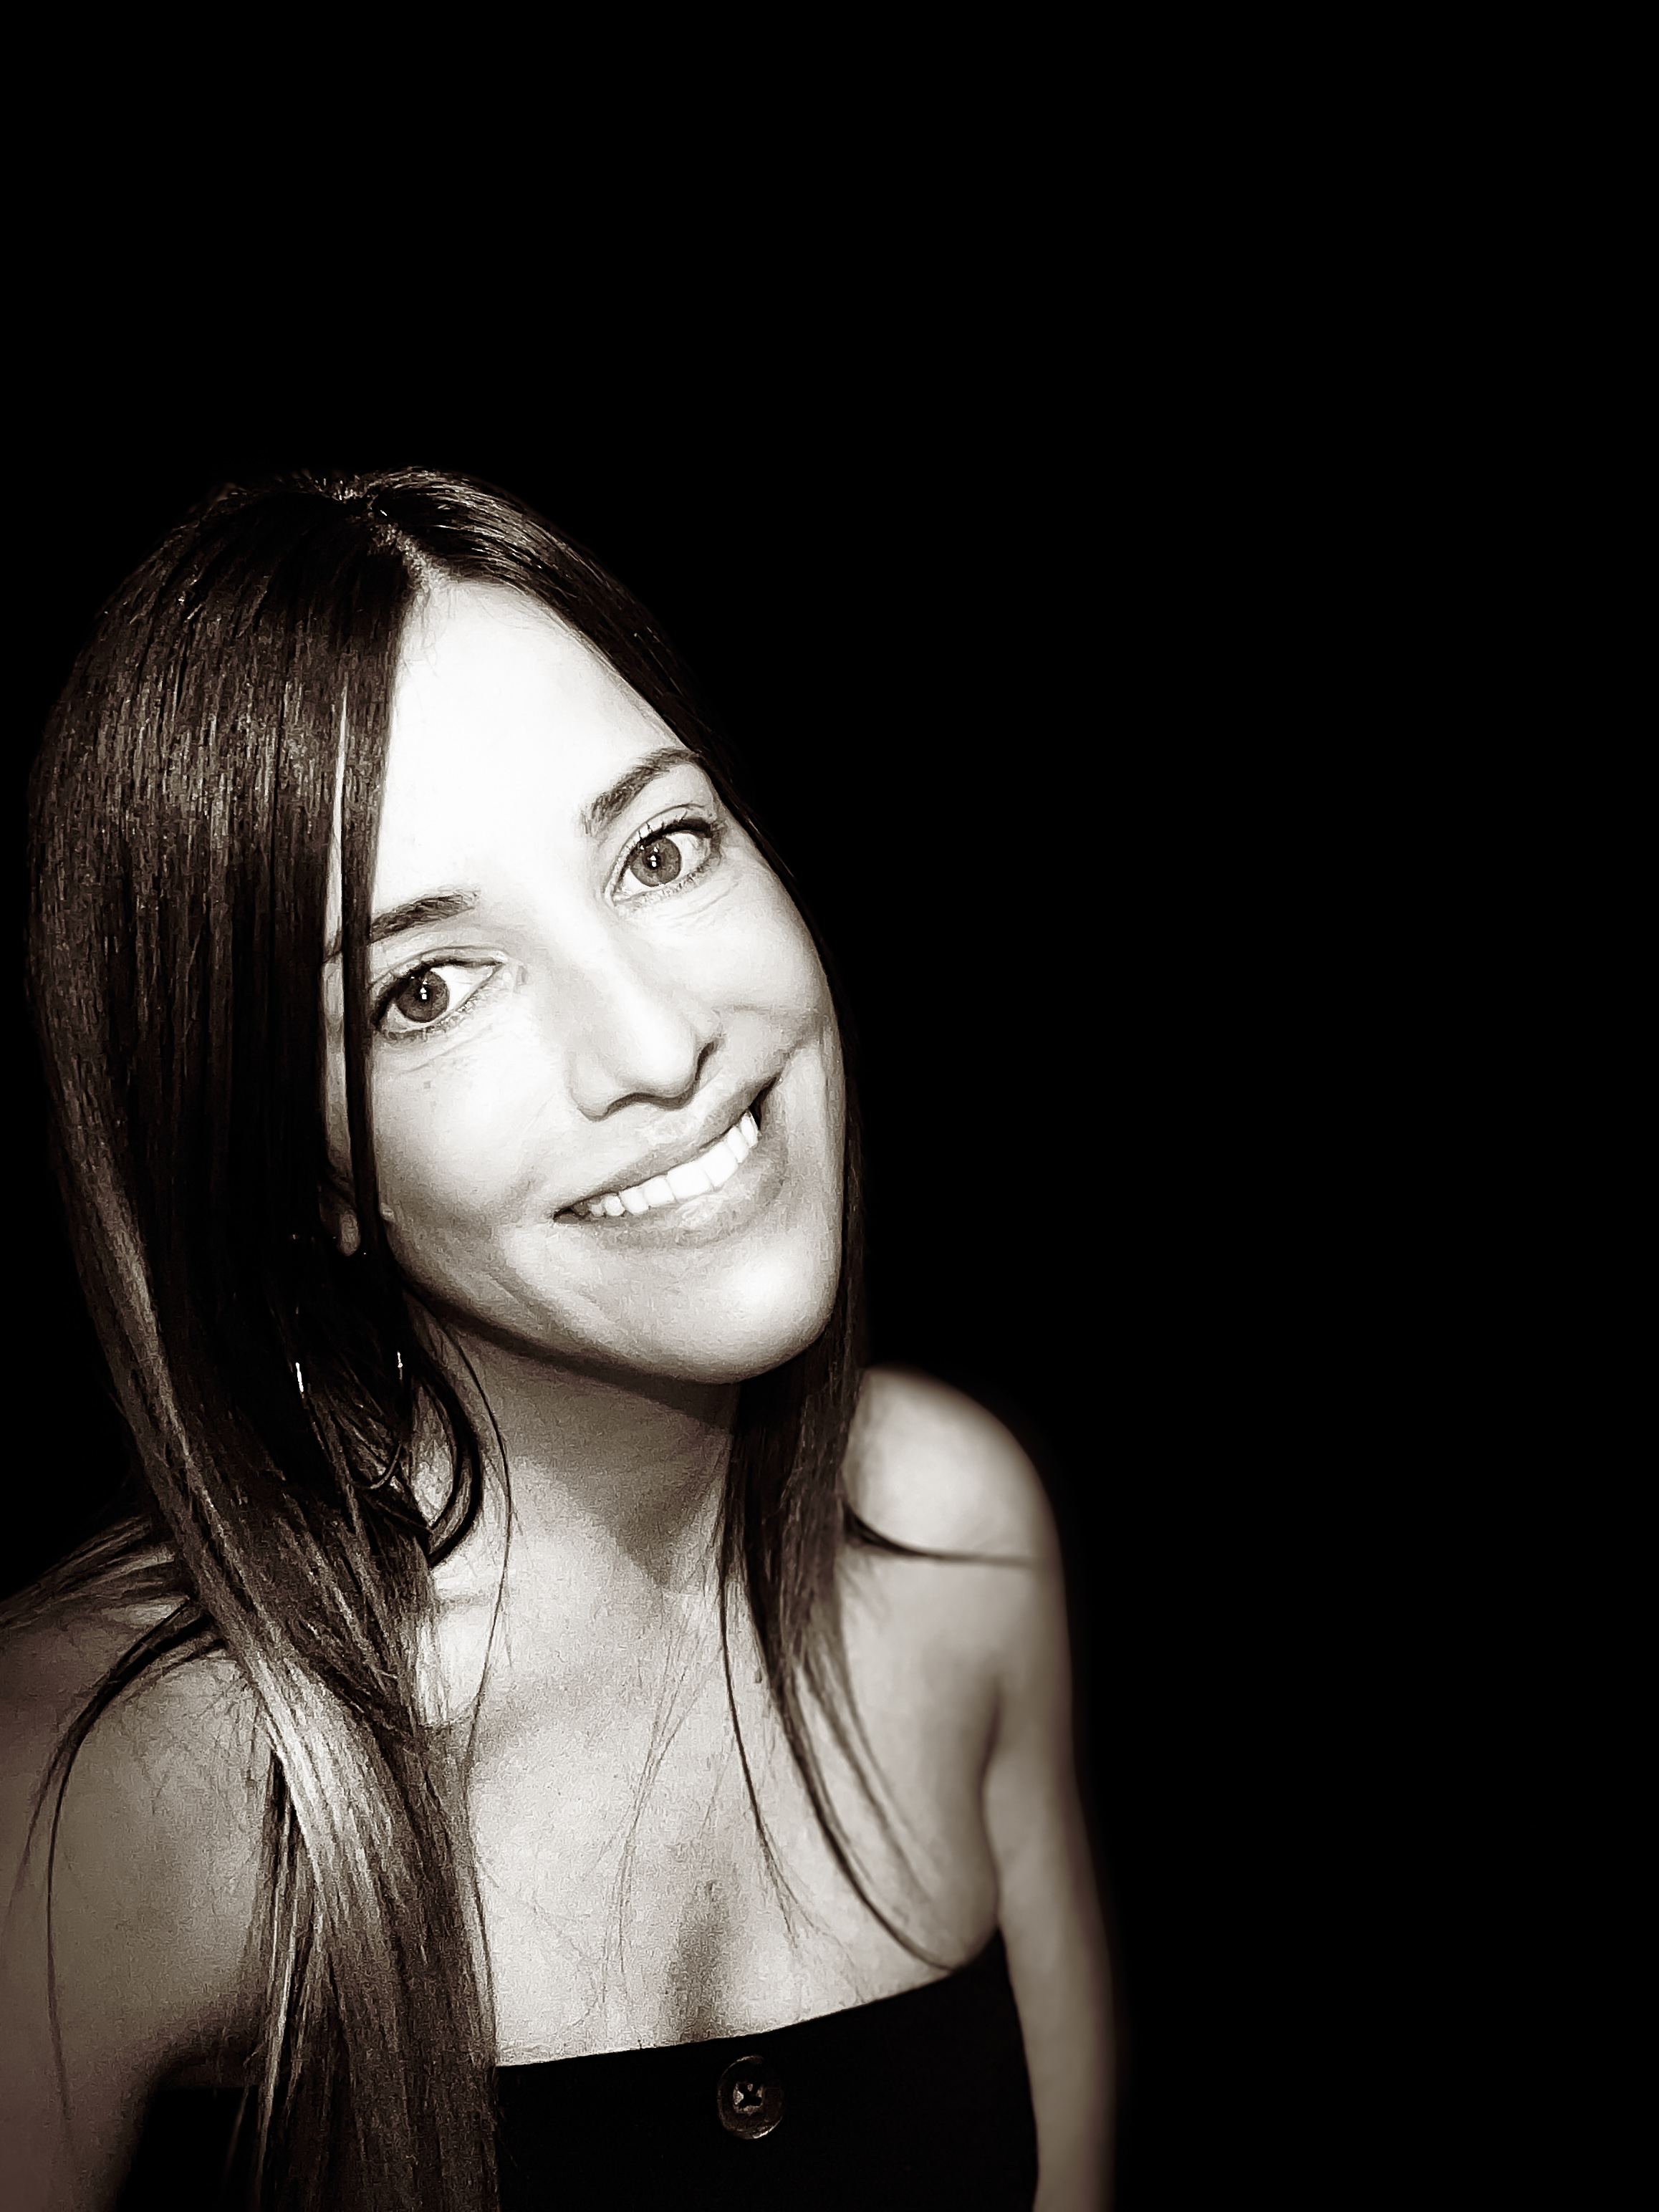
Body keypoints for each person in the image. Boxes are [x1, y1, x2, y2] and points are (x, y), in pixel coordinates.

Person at [1, 470, 1112, 2210]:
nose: (657, 1042)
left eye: (661, 849)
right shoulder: (94, 1792)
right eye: (429, 987)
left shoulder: (957, 1539)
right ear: (299, 1170)